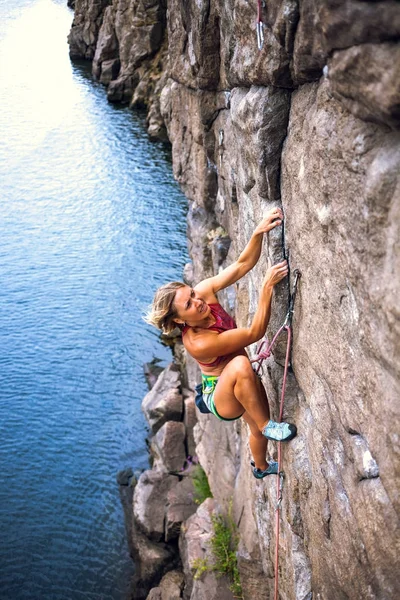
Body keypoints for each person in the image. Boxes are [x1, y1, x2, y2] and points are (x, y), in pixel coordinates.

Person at [144, 207, 297, 479]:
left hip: (240, 379)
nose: (198, 301)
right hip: (220, 396)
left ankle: (261, 468)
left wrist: (258, 232)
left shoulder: (203, 294)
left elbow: (241, 265)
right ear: (179, 321)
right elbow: (254, 333)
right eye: (189, 304)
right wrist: (266, 288)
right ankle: (267, 426)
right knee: (240, 366)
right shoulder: (198, 343)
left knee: (251, 418)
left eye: (191, 293)